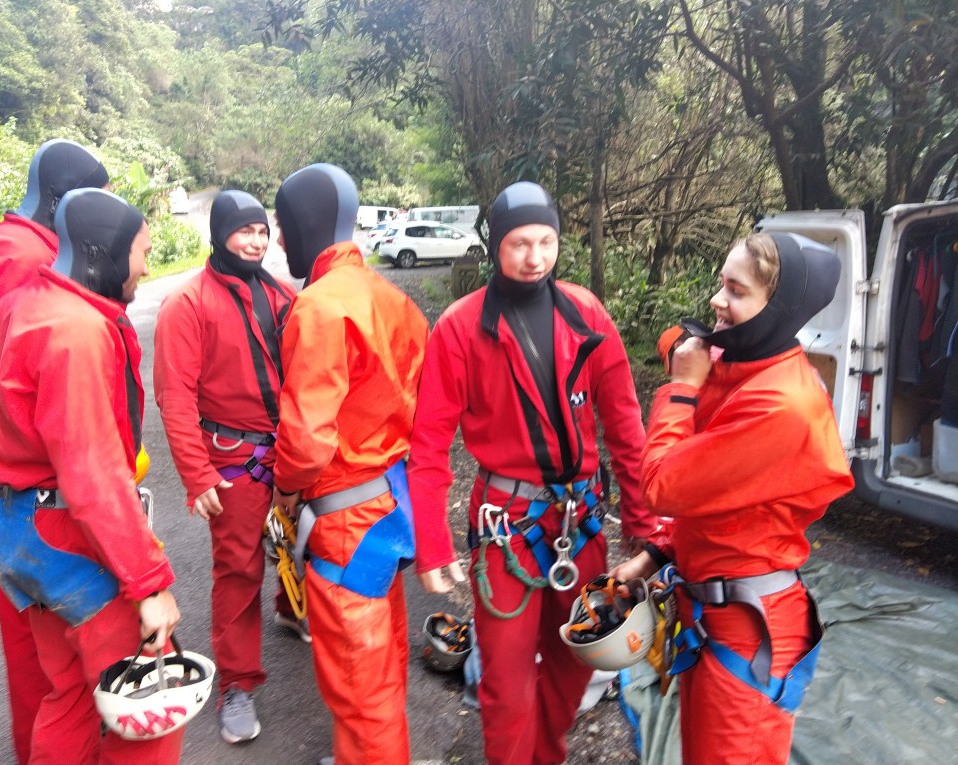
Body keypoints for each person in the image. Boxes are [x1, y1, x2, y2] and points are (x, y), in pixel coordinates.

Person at [406, 180, 657, 765]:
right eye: (519, 243)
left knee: (576, 661)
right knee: (506, 677)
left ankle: (547, 756)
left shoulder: (585, 312)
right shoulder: (462, 327)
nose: (535, 257)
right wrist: (433, 545)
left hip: (580, 520)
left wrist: (643, 523)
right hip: (507, 527)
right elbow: (429, 444)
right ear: (496, 245)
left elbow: (624, 422)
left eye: (547, 242)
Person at [611, 232, 855, 765]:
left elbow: (662, 486)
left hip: (749, 634)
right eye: (722, 284)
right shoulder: (743, 366)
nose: (717, 300)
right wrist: (655, 554)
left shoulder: (781, 404)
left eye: (736, 291)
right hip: (712, 616)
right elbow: (717, 499)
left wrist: (680, 389)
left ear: (780, 309)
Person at [0, 188, 183, 764]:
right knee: (148, 699)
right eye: (142, 252)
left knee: (69, 691)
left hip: (21, 529)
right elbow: (93, 476)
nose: (146, 267)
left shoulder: (15, 307)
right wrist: (149, 586)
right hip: (68, 535)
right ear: (104, 252)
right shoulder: (77, 331)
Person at [0, 138, 109, 765]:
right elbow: (19, 366)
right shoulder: (29, 257)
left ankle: (45, 739)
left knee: (28, 610)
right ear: (63, 199)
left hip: (0, 458)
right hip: (28, 470)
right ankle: (49, 745)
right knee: (43, 626)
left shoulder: (2, 242)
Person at [271, 163, 428, 765]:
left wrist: (285, 491)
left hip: (343, 517)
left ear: (302, 223)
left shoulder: (317, 306)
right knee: (384, 661)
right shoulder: (395, 299)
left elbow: (307, 439)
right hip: (391, 501)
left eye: (282, 223)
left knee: (360, 688)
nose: (279, 237)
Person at [153, 189, 299, 745]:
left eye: (262, 231)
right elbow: (175, 397)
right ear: (219, 234)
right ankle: (237, 684)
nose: (256, 242)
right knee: (238, 570)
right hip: (234, 460)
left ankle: (291, 608)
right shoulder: (188, 304)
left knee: (302, 543)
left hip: (289, 449)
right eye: (244, 231)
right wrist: (197, 474)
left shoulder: (283, 295)